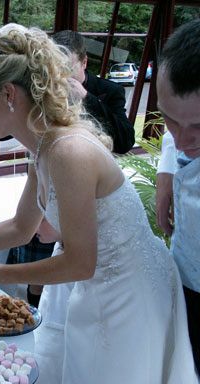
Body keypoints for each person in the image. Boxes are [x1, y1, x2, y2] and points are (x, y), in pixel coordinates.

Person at [0, 23, 197, 383]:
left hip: (128, 291)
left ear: (9, 93)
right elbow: (20, 228)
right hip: (94, 285)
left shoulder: (67, 151)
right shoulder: (41, 147)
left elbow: (80, 261)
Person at [6, 29, 137, 307]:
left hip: (93, 195)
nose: (61, 77)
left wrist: (87, 98)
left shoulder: (109, 92)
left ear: (84, 62)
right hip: (53, 188)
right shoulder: (44, 97)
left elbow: (125, 141)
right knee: (42, 268)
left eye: (68, 68)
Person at [155, 18, 200, 372]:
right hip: (184, 277)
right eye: (169, 119)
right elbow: (176, 141)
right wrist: (166, 173)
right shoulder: (182, 135)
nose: (183, 140)